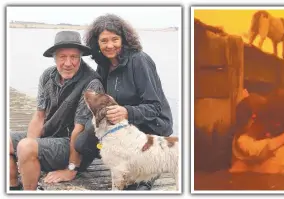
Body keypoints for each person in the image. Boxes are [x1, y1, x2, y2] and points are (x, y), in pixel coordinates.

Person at [85, 14, 173, 190]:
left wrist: (127, 111)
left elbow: (155, 107)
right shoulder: (103, 64)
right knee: (83, 142)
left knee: (135, 187)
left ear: (124, 40)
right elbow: (100, 97)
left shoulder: (139, 60)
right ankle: (76, 168)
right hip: (124, 124)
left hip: (151, 124)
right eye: (104, 41)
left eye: (115, 39)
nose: (110, 45)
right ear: (97, 44)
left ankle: (147, 176)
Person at [9, 31, 105, 190]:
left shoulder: (92, 83)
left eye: (74, 57)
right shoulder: (47, 75)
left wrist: (71, 169)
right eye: (62, 57)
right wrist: (28, 147)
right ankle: (13, 187)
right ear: (54, 57)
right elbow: (39, 116)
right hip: (49, 137)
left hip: (73, 147)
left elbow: (78, 130)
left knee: (26, 147)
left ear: (81, 56)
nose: (68, 63)